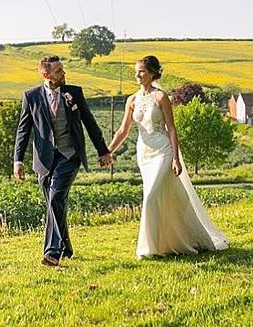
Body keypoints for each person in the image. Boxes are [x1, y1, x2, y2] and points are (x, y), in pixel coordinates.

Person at [107, 55, 229, 258]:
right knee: (161, 197)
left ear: (152, 73)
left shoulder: (161, 97)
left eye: (142, 71)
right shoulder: (132, 100)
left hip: (163, 151)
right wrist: (107, 151)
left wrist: (175, 158)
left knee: (151, 196)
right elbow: (123, 131)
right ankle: (166, 242)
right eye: (136, 71)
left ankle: (149, 248)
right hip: (144, 154)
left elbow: (171, 129)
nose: (137, 75)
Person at [14, 56, 113, 267]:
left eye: (63, 70)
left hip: (70, 154)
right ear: (46, 74)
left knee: (56, 196)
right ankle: (66, 247)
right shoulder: (31, 96)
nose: (63, 74)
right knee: (54, 203)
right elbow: (23, 130)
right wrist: (18, 160)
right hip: (44, 159)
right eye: (59, 71)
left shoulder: (73, 93)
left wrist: (103, 150)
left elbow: (89, 122)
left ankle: (53, 252)